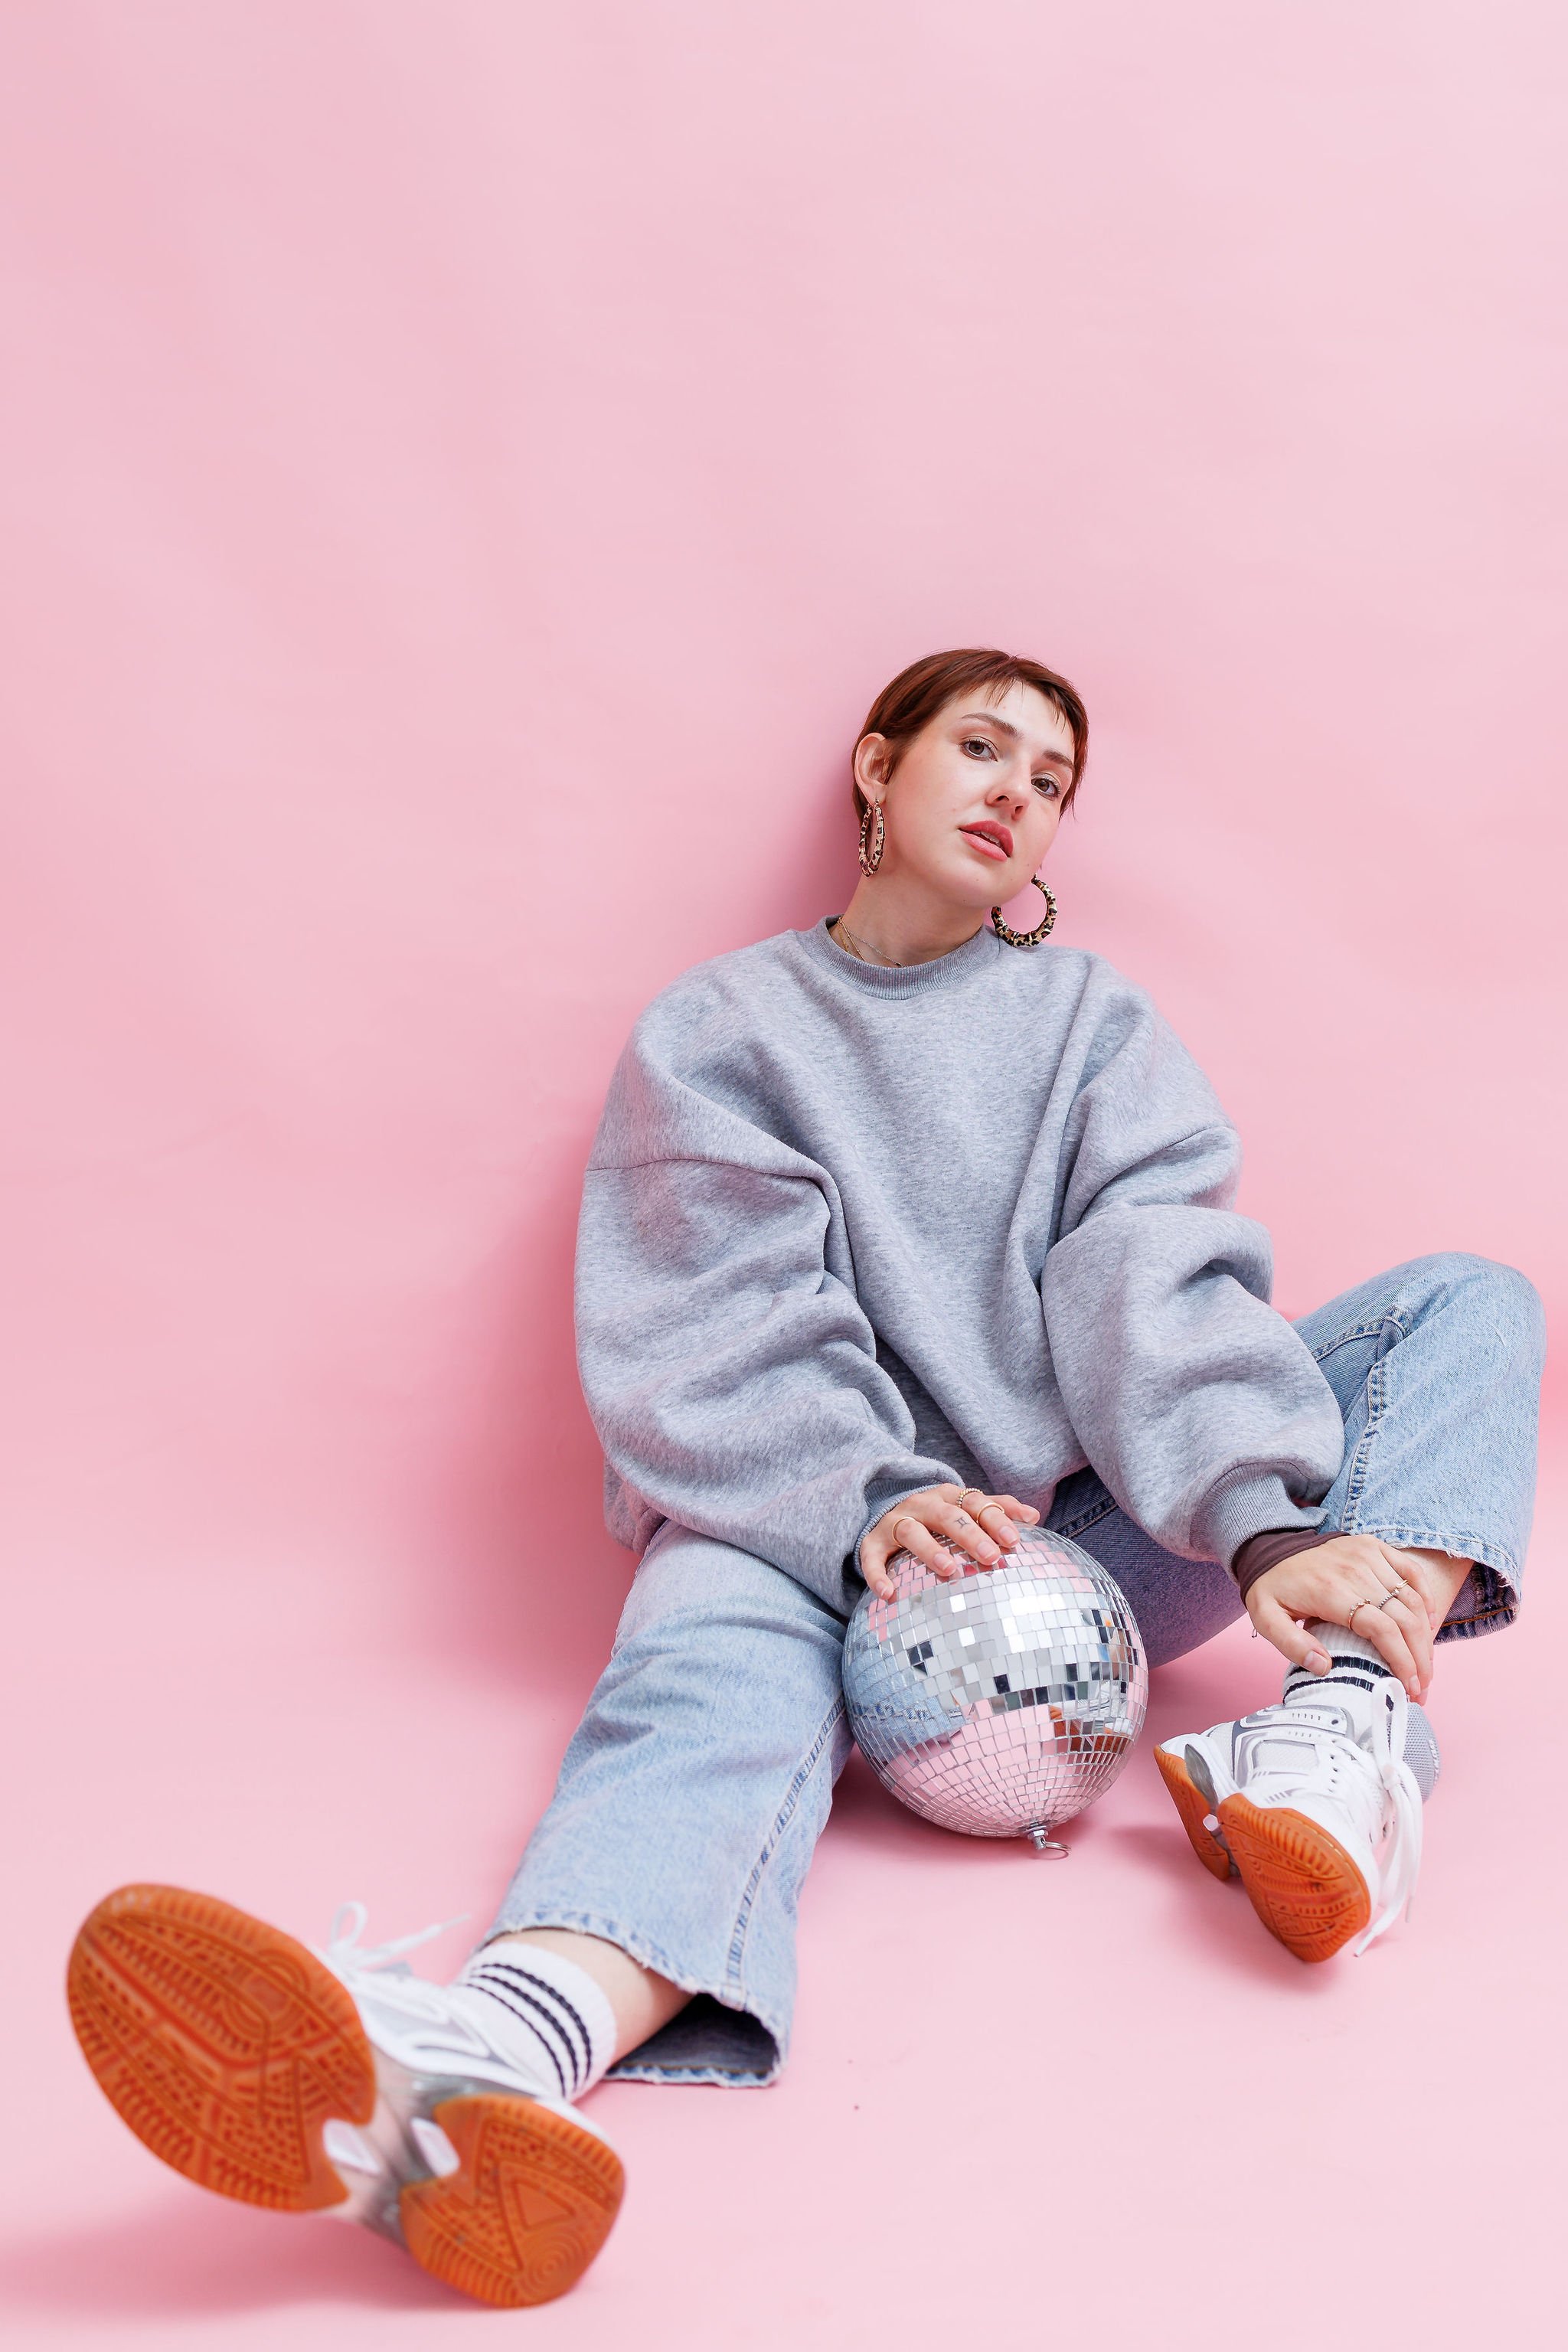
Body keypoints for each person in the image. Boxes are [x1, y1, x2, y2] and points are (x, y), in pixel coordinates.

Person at [67, 649, 1544, 2308]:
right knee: (699, 1673)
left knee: (1466, 1303)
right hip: (816, 1538)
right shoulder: (721, 1029)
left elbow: (1149, 1270)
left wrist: (1260, 1527)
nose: (1014, 792)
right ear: (874, 767)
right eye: (980, 747)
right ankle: (477, 2066)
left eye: (1051, 781)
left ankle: (1339, 1733)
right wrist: (862, 1504)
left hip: (1090, 1537)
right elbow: (717, 1314)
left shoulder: (1085, 1021)